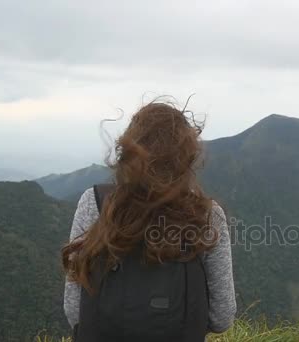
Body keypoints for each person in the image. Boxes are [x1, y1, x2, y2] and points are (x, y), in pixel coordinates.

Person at [61, 102, 236, 341]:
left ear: (128, 151)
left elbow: (75, 310)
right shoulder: (206, 215)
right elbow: (222, 317)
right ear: (186, 158)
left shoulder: (95, 203)